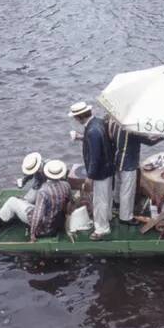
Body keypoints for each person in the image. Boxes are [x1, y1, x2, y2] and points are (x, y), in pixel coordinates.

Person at [0, 160, 72, 242]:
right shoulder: (66, 186)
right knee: (22, 202)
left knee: (12, 201)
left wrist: (33, 234)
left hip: (44, 228)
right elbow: (69, 203)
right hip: (54, 222)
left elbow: (37, 216)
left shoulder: (44, 191)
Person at [69, 101, 115, 240]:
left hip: (99, 172)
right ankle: (108, 217)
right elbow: (99, 142)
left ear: (79, 117)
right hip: (108, 167)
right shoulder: (99, 123)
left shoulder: (92, 130)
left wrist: (90, 177)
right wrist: (80, 137)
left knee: (99, 201)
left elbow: (95, 156)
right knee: (107, 196)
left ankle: (102, 229)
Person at [106, 118, 163, 226]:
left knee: (118, 184)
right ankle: (125, 216)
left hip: (117, 158)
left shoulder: (113, 122)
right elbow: (149, 141)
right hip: (128, 161)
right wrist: (161, 137)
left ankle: (117, 203)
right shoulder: (132, 129)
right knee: (127, 189)